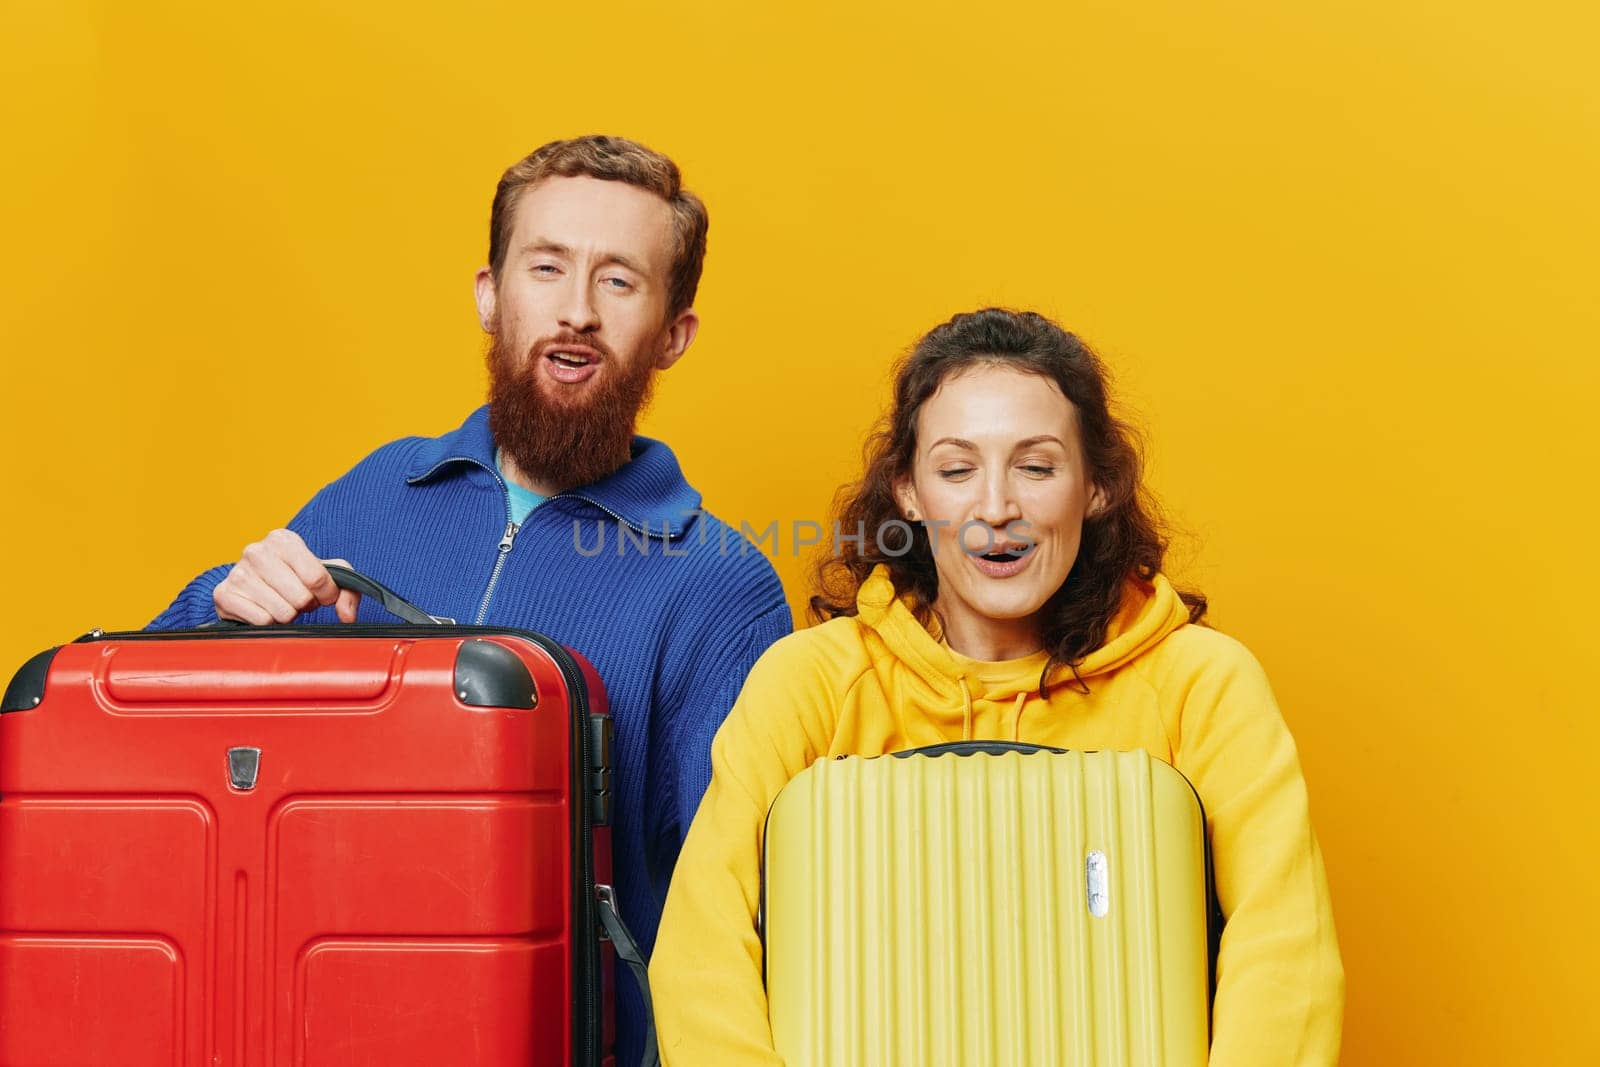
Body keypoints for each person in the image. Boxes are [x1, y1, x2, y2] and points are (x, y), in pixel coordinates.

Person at [148, 135, 792, 1067]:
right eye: (547, 267)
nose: (575, 312)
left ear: (673, 333)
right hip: (319, 1032)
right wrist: (225, 596)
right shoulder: (373, 495)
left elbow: (737, 909)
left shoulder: (719, 584)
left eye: (619, 282)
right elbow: (157, 729)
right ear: (491, 295)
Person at [649, 308, 1344, 1064]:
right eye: (956, 469)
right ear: (909, 493)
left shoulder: (1202, 685)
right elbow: (701, 949)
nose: (995, 507)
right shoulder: (811, 682)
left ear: (1097, 487)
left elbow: (1285, 950)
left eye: (1036, 466)